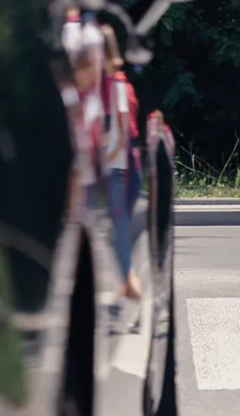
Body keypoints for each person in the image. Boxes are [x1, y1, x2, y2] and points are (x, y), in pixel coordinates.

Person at [101, 25, 144, 322]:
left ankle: (135, 298)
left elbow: (121, 134)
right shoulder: (114, 84)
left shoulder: (115, 86)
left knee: (117, 239)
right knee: (116, 239)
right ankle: (123, 297)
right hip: (119, 171)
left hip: (117, 171)